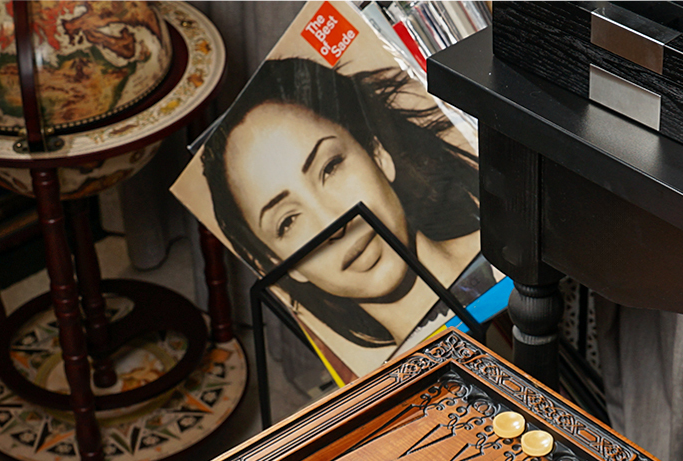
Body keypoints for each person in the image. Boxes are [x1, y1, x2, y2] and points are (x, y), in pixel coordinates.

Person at [200, 55, 483, 352]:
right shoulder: (377, 381)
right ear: (279, 264)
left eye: (330, 167)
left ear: (377, 154)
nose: (333, 223)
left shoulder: (514, 246)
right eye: (287, 221)